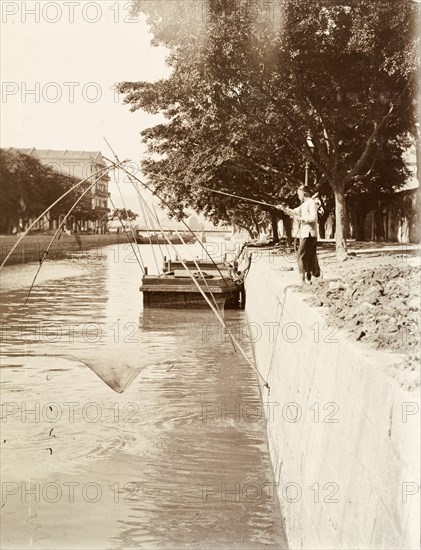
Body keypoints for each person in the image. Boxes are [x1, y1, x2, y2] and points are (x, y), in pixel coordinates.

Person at [278, 185, 320, 285]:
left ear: (304, 193)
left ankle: (302, 279)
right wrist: (283, 208)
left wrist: (301, 218)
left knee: (300, 255)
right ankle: (309, 278)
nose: (298, 196)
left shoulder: (311, 203)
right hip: (306, 234)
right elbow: (294, 212)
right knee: (309, 256)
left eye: (299, 194)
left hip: (309, 234)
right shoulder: (304, 205)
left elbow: (313, 218)